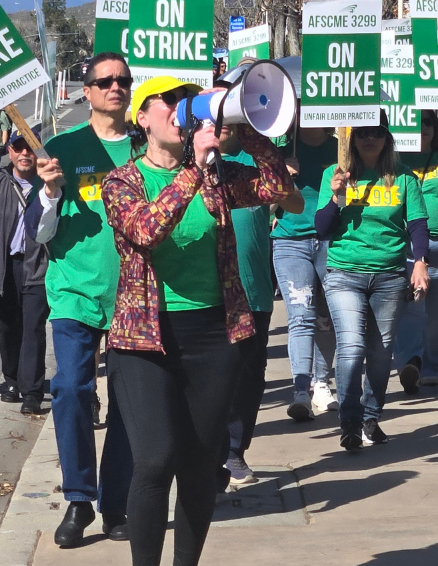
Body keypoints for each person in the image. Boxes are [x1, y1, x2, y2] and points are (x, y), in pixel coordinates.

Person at [103, 76, 292, 566]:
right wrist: (194, 171)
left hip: (213, 336)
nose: (181, 110)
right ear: (142, 117)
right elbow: (146, 229)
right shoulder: (122, 180)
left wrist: (244, 125)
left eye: (189, 101)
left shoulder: (219, 175)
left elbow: (277, 185)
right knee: (153, 460)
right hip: (145, 339)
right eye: (171, 101)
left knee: (200, 464)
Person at [34, 52, 138, 547]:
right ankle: (79, 499)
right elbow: (40, 234)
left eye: (123, 80)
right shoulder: (60, 149)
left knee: (128, 403)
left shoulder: (149, 146)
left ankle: (116, 504)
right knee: (72, 390)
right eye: (105, 81)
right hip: (75, 292)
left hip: (135, 297)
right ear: (88, 91)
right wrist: (51, 194)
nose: (115, 87)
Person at [314, 117, 429, 451]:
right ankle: (349, 421)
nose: (368, 139)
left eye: (376, 133)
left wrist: (419, 261)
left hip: (389, 275)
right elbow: (321, 229)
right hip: (344, 273)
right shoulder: (333, 174)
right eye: (361, 133)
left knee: (381, 352)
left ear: (386, 138)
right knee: (352, 346)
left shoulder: (404, 177)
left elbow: (418, 224)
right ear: (350, 138)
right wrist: (336, 198)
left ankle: (371, 417)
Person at [220, 122, 305, 487]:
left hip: (252, 289)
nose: (223, 121)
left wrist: (280, 173)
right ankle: (211, 454)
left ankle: (234, 451)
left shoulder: (255, 159)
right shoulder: (186, 162)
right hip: (205, 295)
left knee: (249, 377)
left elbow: (295, 204)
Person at [0, 134, 51, 415]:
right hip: (5, 267)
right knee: (7, 325)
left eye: (29, 148)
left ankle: (32, 392)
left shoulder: (48, 184)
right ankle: (12, 380)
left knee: (33, 328)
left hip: (38, 266)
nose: (24, 153)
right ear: (9, 151)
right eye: (18, 148)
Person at [393, 111, 438, 394]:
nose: (422, 128)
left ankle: (430, 366)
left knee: (435, 312)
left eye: (427, 122)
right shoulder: (395, 162)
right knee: (410, 307)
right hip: (408, 246)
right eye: (416, 122)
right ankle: (408, 362)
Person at [271, 125, 340, 421]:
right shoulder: (279, 151)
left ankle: (322, 382)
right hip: (290, 242)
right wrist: (284, 178)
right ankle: (300, 389)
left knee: (328, 317)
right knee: (301, 315)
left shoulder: (342, 150)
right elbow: (264, 207)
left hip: (332, 241)